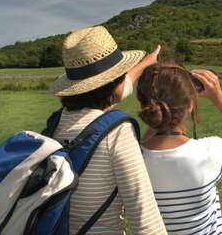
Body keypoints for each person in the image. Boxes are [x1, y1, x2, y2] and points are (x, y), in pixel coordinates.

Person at [48, 26, 167, 235]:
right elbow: (145, 218)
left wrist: (147, 62)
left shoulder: (57, 122)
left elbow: (115, 90)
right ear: (114, 83)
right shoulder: (117, 132)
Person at [137, 59, 222, 234]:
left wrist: (160, 118)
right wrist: (218, 96)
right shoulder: (207, 153)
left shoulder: (132, 159)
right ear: (190, 105)